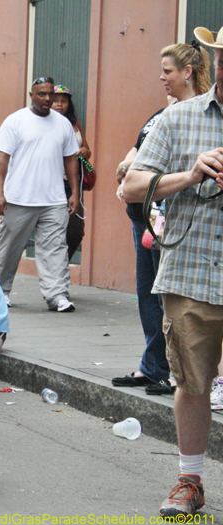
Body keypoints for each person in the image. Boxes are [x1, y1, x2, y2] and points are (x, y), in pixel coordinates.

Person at [121, 23, 223, 519]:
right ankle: (190, 479)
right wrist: (190, 174)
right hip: (192, 271)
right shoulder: (178, 119)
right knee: (191, 382)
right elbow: (131, 186)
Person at [113, 42, 210, 397]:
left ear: (187, 73)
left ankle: (172, 371)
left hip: (169, 219)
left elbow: (82, 160)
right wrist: (125, 168)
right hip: (142, 216)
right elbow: (139, 148)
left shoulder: (195, 117)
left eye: (168, 71)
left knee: (166, 298)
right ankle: (153, 365)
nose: (162, 77)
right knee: (146, 294)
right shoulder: (163, 115)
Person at [0, 76, 80, 312]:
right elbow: (2, 161)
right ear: (31, 95)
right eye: (42, 94)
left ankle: (57, 295)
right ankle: (0, 291)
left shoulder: (63, 124)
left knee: (55, 249)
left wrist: (75, 192)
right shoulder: (15, 121)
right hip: (19, 198)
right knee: (8, 248)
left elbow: (71, 159)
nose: (48, 98)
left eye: (50, 94)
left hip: (54, 200)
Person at [52, 84, 92, 262]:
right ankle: (55, 272)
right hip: (51, 182)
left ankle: (60, 265)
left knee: (76, 231)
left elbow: (87, 149)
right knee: (54, 229)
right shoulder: (45, 122)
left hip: (72, 183)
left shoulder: (75, 124)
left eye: (64, 101)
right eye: (56, 101)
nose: (59, 104)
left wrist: (83, 151)